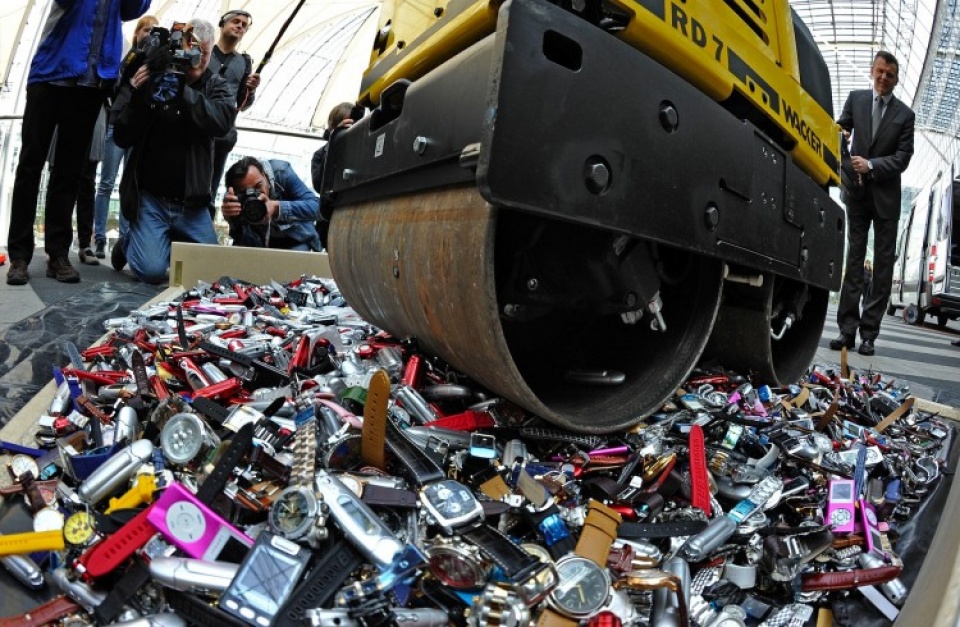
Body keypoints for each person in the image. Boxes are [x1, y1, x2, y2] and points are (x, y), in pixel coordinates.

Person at [4, 0, 151, 286]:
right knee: (31, 165)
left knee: (70, 170)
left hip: (91, 82)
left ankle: (58, 253)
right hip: (51, 72)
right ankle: (19, 255)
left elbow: (133, 9)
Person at [112, 19, 236, 285]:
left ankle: (160, 240)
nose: (199, 60)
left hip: (192, 204)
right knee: (152, 272)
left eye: (205, 53)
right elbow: (122, 135)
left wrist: (181, 91)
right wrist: (140, 92)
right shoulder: (155, 76)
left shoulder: (216, 85)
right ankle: (130, 242)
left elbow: (222, 122)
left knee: (212, 274)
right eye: (194, 52)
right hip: (151, 199)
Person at [829, 51, 915, 357]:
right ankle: (846, 331)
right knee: (853, 262)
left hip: (887, 200)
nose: (883, 78)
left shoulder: (905, 115)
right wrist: (843, 139)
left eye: (889, 74)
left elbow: (903, 158)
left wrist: (872, 165)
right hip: (858, 193)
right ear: (872, 70)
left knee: (881, 270)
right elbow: (839, 130)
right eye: (879, 71)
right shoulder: (856, 99)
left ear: (896, 78)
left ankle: (869, 335)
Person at [93, 14, 159, 270]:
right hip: (117, 122)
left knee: (128, 185)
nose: (149, 35)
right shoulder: (126, 58)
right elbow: (113, 85)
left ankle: (124, 239)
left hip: (138, 130)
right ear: (137, 33)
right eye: (146, 30)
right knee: (106, 182)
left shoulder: (155, 63)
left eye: (154, 32)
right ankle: (99, 238)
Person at [208, 10, 261, 216]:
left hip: (223, 132)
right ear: (222, 24)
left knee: (212, 184)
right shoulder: (205, 51)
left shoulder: (244, 62)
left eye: (244, 25)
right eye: (235, 22)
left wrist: (251, 89)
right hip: (199, 125)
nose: (240, 26)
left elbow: (243, 104)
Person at [221, 157, 322, 251]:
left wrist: (277, 207)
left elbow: (318, 208)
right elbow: (238, 238)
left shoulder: (281, 172)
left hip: (295, 238)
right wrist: (230, 218)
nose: (256, 195)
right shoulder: (232, 198)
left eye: (258, 186)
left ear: (265, 174)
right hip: (255, 245)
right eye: (246, 193)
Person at [311, 102, 359, 249]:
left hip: (355, 214)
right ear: (332, 126)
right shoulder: (321, 154)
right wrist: (334, 144)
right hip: (330, 217)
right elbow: (319, 185)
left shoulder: (361, 148)